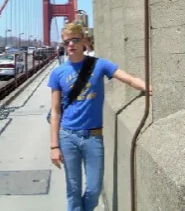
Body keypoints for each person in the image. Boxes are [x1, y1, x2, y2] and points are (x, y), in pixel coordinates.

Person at [47, 22, 152, 211]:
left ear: (84, 41)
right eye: (66, 42)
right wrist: (54, 146)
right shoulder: (58, 73)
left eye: (75, 40)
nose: (71, 44)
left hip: (94, 137)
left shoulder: (100, 65)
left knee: (94, 189)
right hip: (68, 136)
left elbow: (127, 78)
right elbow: (55, 111)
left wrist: (149, 88)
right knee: (73, 189)